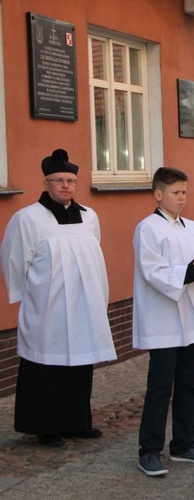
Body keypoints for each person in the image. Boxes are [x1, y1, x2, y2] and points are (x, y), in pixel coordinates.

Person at [0, 149, 116, 447]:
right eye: (59, 180)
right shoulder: (27, 218)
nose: (66, 185)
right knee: (46, 366)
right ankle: (45, 426)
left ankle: (78, 421)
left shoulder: (90, 216)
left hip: (83, 305)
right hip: (47, 306)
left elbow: (93, 254)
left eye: (71, 180)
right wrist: (30, 299)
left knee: (79, 364)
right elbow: (14, 260)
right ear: (46, 183)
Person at [133, 167, 194, 477]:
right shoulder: (148, 229)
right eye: (176, 192)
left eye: (184, 192)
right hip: (164, 319)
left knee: (188, 385)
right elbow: (153, 272)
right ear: (158, 195)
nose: (182, 198)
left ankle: (184, 445)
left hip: (193, 317)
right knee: (160, 387)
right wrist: (192, 271)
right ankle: (148, 451)